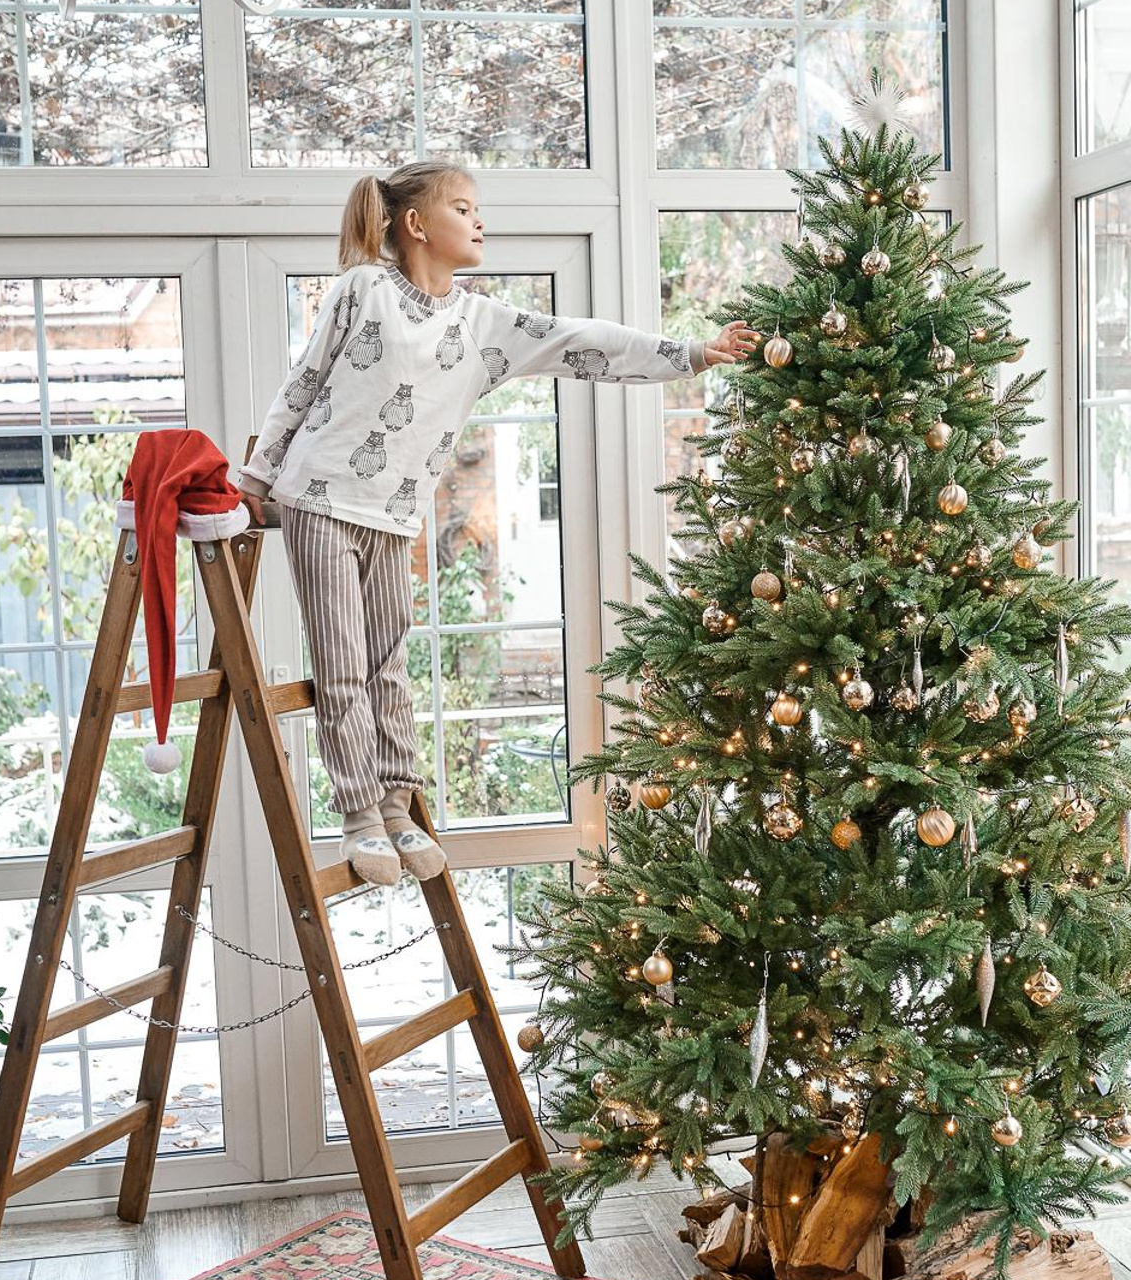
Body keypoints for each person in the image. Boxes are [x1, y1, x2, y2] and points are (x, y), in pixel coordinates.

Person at [237, 159, 761, 887]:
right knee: (344, 668)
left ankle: (396, 806)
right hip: (318, 499)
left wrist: (693, 354)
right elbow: (303, 383)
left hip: (394, 515)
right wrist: (254, 480)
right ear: (416, 224)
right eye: (463, 207)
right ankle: (359, 816)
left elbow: (586, 341)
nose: (480, 221)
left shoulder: (483, 324)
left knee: (389, 667)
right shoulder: (363, 289)